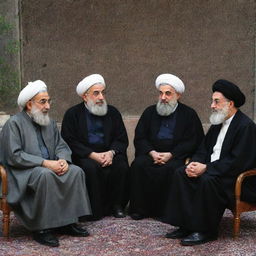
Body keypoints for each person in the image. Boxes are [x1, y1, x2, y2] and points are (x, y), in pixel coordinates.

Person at [164, 79, 256, 246]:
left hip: (232, 178)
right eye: (212, 101)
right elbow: (203, 149)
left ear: (230, 103)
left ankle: (205, 230)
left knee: (207, 180)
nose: (212, 105)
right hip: (213, 170)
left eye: (216, 101)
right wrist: (195, 164)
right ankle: (185, 225)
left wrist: (206, 168)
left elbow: (238, 161)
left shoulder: (246, 126)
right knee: (180, 172)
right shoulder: (217, 122)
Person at [0, 80, 92, 247]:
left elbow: (61, 145)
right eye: (43, 102)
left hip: (49, 166)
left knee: (75, 171)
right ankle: (42, 229)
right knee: (45, 175)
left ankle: (68, 222)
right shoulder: (14, 124)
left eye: (49, 101)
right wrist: (44, 163)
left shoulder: (48, 122)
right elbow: (14, 156)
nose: (48, 106)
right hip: (23, 172)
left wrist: (63, 159)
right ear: (29, 104)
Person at [129, 74, 204, 220]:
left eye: (168, 93)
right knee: (138, 165)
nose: (163, 97)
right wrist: (152, 152)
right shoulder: (149, 112)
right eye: (161, 93)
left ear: (178, 95)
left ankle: (166, 211)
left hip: (175, 156)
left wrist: (172, 154)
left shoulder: (189, 114)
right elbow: (140, 137)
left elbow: (193, 141)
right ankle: (139, 210)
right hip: (151, 154)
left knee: (172, 169)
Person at [61, 74, 129, 220]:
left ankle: (117, 206)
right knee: (89, 167)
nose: (101, 97)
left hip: (109, 154)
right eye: (96, 93)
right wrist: (92, 155)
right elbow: (69, 140)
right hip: (85, 155)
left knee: (121, 165)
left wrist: (111, 153)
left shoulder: (113, 112)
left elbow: (121, 138)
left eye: (103, 92)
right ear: (85, 97)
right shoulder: (73, 114)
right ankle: (93, 209)